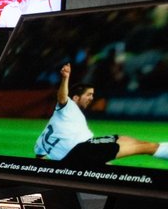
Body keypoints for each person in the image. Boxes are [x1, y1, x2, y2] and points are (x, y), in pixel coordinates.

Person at [34, 62, 168, 166]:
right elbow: (62, 97)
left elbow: (39, 157)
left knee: (125, 140)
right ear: (75, 98)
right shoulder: (68, 107)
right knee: (143, 147)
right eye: (88, 95)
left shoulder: (43, 137)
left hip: (82, 151)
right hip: (82, 150)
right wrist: (65, 78)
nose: (91, 98)